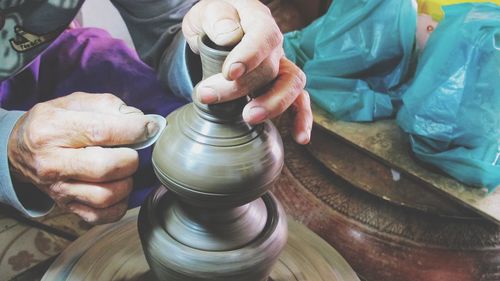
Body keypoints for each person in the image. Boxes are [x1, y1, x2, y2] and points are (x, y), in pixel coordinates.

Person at [0, 0, 312, 224]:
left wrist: (215, 48)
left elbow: (169, 25)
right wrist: (9, 148)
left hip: (42, 51)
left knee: (185, 146)